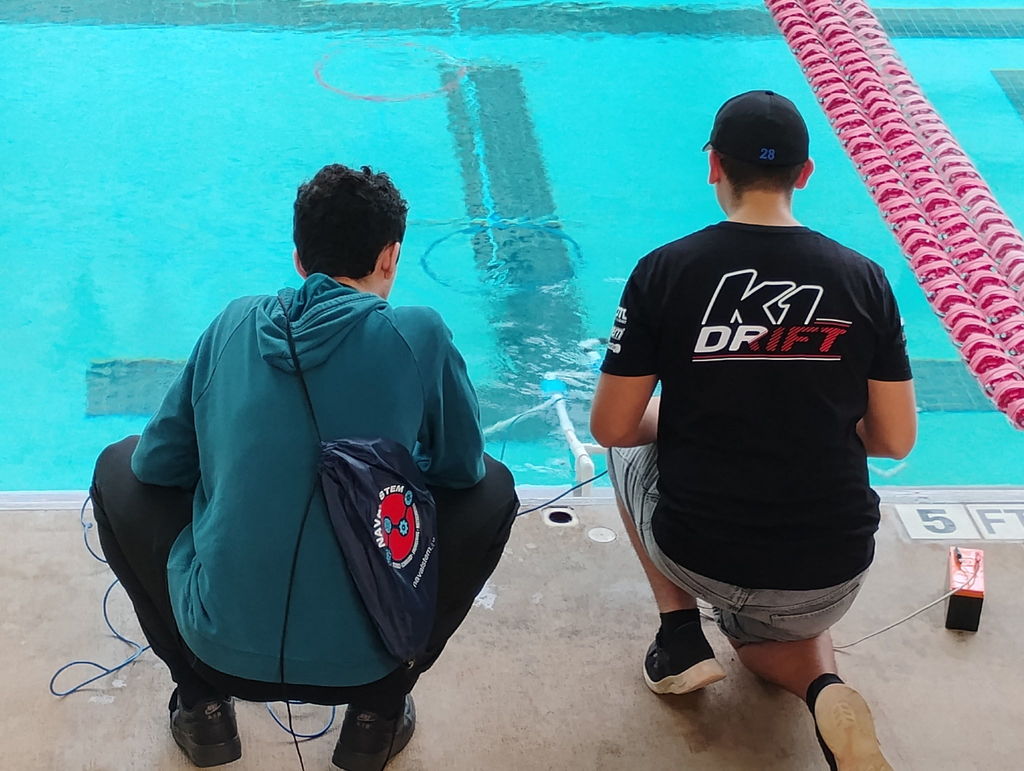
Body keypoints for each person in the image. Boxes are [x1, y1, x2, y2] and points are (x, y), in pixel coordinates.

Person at [90, 164, 519, 770]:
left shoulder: (233, 321)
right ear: (391, 256)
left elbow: (156, 464)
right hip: (369, 655)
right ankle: (379, 713)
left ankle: (202, 705)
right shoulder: (418, 334)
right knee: (495, 491)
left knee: (116, 467)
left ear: (299, 258)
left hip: (217, 645)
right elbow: (462, 470)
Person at [590, 91, 916, 771]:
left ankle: (680, 633)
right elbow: (893, 440)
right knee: (777, 621)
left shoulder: (664, 271)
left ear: (714, 166)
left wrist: (690, 414)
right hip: (833, 569)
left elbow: (613, 425)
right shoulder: (867, 281)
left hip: (699, 548)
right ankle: (824, 687)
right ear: (806, 173)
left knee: (623, 450)